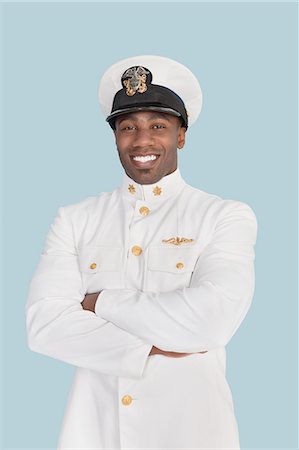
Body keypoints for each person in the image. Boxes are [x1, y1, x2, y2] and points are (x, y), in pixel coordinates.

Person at [26, 55, 257, 450]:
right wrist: (155, 346)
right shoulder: (75, 219)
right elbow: (44, 327)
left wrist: (100, 303)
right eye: (128, 126)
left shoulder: (224, 216)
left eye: (158, 126)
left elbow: (214, 321)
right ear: (115, 135)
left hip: (194, 433)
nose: (142, 140)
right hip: (94, 434)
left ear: (181, 135)